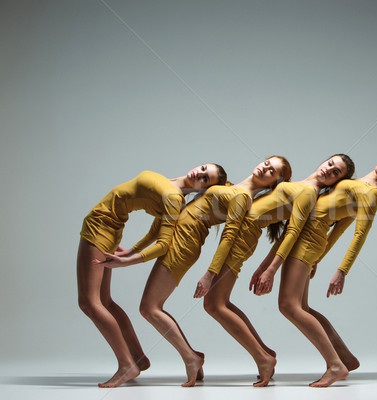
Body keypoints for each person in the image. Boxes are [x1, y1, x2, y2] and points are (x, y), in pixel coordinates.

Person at [253, 153, 377, 387]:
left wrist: (342, 271)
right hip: (309, 240)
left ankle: (334, 364)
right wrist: (320, 257)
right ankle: (345, 358)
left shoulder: (370, 193)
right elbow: (339, 226)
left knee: (288, 306)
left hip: (306, 240)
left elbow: (359, 234)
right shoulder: (360, 185)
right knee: (302, 307)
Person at [192, 154, 354, 387]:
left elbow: (293, 232)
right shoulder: (298, 186)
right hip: (241, 234)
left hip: (242, 237)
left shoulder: (308, 193)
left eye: (336, 172)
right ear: (323, 161)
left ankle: (268, 358)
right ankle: (264, 353)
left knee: (214, 305)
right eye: (330, 164)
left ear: (336, 182)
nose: (329, 170)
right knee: (220, 303)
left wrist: (271, 270)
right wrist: (263, 265)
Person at [139, 156, 291, 387]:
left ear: (273, 183)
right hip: (200, 240)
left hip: (211, 243)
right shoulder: (231, 188)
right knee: (216, 304)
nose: (266, 167)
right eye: (268, 162)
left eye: (272, 171)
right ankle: (263, 353)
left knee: (203, 305)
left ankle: (257, 357)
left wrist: (210, 274)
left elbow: (230, 235)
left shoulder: (243, 196)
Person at [78, 164, 226, 388]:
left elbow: (163, 242)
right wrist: (131, 249)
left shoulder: (174, 198)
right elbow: (156, 228)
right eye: (203, 168)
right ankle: (137, 358)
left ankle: (127, 364)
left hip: (101, 227)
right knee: (104, 302)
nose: (199, 173)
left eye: (205, 179)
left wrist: (128, 261)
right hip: (106, 225)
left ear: (204, 189)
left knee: (90, 302)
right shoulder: (176, 187)